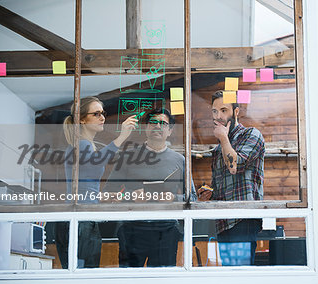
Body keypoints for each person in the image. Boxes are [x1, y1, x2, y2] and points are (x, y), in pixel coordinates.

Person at [104, 108, 197, 267]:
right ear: (146, 127)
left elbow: (192, 198)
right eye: (153, 122)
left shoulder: (179, 160)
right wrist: (130, 196)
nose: (158, 126)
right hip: (132, 228)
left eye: (163, 123)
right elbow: (107, 194)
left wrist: (173, 198)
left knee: (162, 282)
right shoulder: (127, 157)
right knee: (129, 281)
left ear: (169, 131)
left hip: (166, 230)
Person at [55, 96, 137, 269]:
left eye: (103, 113)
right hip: (80, 222)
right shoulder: (82, 144)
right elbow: (97, 162)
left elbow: (84, 186)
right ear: (83, 120)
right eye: (96, 114)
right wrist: (121, 137)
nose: (102, 118)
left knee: (80, 274)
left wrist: (103, 196)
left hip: (80, 219)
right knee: (83, 276)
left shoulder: (84, 145)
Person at [198, 90, 265, 266]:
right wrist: (209, 194)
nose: (218, 116)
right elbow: (220, 188)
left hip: (243, 219)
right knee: (228, 276)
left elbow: (235, 166)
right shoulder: (218, 149)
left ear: (236, 112)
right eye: (214, 111)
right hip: (222, 222)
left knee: (240, 277)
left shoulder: (252, 135)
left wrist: (223, 138)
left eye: (223, 110)